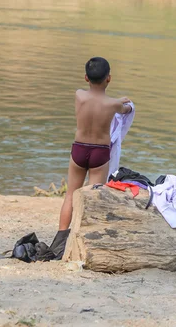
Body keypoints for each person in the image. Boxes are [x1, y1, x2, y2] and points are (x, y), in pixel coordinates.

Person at [58, 57, 133, 231]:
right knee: (92, 198)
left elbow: (95, 101)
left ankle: (60, 238)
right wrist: (125, 104)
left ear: (86, 78)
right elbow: (125, 109)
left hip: (79, 149)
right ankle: (84, 237)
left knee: (70, 195)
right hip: (100, 153)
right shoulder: (113, 104)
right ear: (109, 78)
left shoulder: (79, 95)